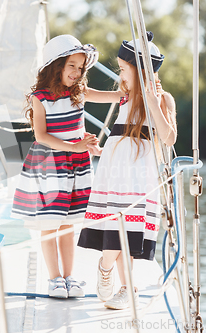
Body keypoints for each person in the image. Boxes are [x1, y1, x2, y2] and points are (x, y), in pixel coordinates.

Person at [11, 35, 123, 298]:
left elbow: (114, 96)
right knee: (50, 223)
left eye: (81, 67)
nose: (77, 72)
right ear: (57, 65)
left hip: (77, 166)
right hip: (50, 165)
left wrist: (135, 90)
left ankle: (70, 277)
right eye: (72, 65)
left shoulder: (79, 93)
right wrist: (73, 146)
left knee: (68, 225)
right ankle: (54, 278)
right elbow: (41, 135)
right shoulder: (41, 97)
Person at [77, 33, 177, 309]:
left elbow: (169, 138)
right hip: (115, 170)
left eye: (123, 69)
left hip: (138, 174)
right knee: (114, 226)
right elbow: (82, 94)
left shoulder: (162, 99)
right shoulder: (123, 97)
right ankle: (109, 272)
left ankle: (123, 284)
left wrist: (153, 102)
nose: (120, 75)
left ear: (141, 71)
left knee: (128, 233)